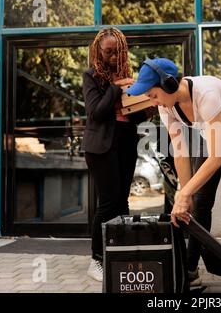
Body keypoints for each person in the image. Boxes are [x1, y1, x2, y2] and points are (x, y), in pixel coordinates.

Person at [126, 58, 221, 293]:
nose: (152, 100)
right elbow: (180, 152)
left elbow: (216, 159)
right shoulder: (166, 106)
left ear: (168, 85)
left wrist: (184, 193)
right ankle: (190, 271)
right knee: (198, 205)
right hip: (213, 136)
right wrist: (184, 195)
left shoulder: (206, 94)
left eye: (153, 94)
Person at [82, 28, 146, 281]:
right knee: (108, 203)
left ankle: (120, 251)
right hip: (100, 146)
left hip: (126, 142)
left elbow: (136, 116)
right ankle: (96, 259)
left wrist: (144, 101)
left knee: (122, 202)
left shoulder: (128, 75)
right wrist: (115, 88)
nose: (112, 55)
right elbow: (95, 112)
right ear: (98, 50)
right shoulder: (91, 76)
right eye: (108, 51)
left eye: (117, 51)